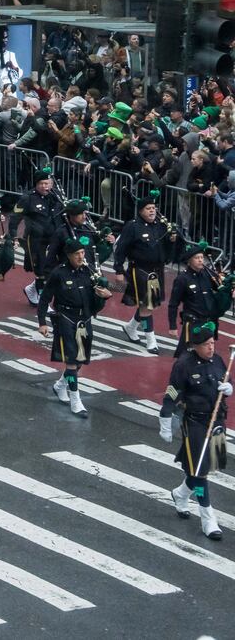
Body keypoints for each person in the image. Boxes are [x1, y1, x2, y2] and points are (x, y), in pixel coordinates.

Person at [159, 321, 230, 541]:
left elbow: (226, 381)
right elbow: (172, 393)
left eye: (212, 343)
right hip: (196, 423)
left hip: (216, 421)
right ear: (196, 346)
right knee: (199, 472)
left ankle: (180, 494)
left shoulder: (218, 360)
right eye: (207, 344)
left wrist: (229, 388)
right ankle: (208, 517)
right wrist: (165, 418)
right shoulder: (184, 365)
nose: (211, 347)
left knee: (203, 468)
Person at [38, 238, 113, 419]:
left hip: (84, 319)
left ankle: (60, 385)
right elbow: (45, 298)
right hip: (66, 318)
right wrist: (42, 322)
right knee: (71, 361)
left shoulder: (89, 272)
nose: (81, 256)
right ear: (69, 255)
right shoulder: (59, 273)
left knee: (79, 361)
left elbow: (101, 293)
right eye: (77, 254)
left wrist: (106, 294)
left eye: (82, 253)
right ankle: (75, 399)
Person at [114, 192, 178, 354]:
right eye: (148, 208)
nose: (152, 211)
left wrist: (171, 241)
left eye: (154, 208)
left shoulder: (160, 225)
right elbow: (121, 249)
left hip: (157, 270)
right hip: (140, 270)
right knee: (147, 305)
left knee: (149, 304)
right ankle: (151, 340)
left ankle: (131, 327)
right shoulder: (133, 226)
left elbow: (166, 248)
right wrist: (119, 270)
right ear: (141, 210)